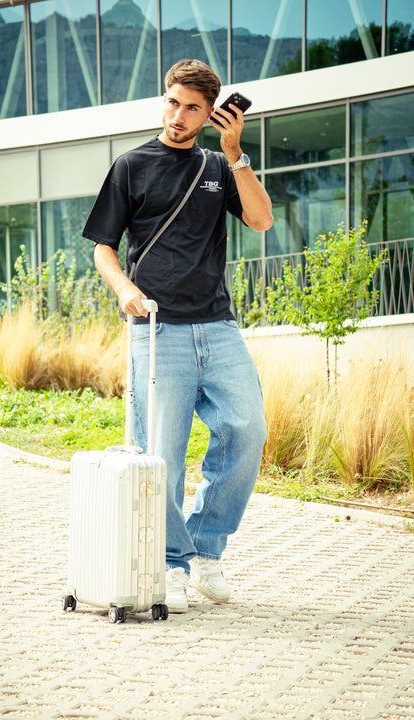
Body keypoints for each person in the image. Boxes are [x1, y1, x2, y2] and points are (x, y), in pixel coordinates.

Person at [82, 58, 273, 613]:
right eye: (172, 102)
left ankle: (206, 550)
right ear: (163, 99)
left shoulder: (219, 165)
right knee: (159, 455)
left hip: (216, 324)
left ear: (210, 113)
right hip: (155, 327)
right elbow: (103, 246)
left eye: (192, 108)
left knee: (247, 431)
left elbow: (260, 220)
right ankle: (169, 563)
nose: (179, 115)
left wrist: (236, 155)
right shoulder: (131, 165)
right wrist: (122, 289)